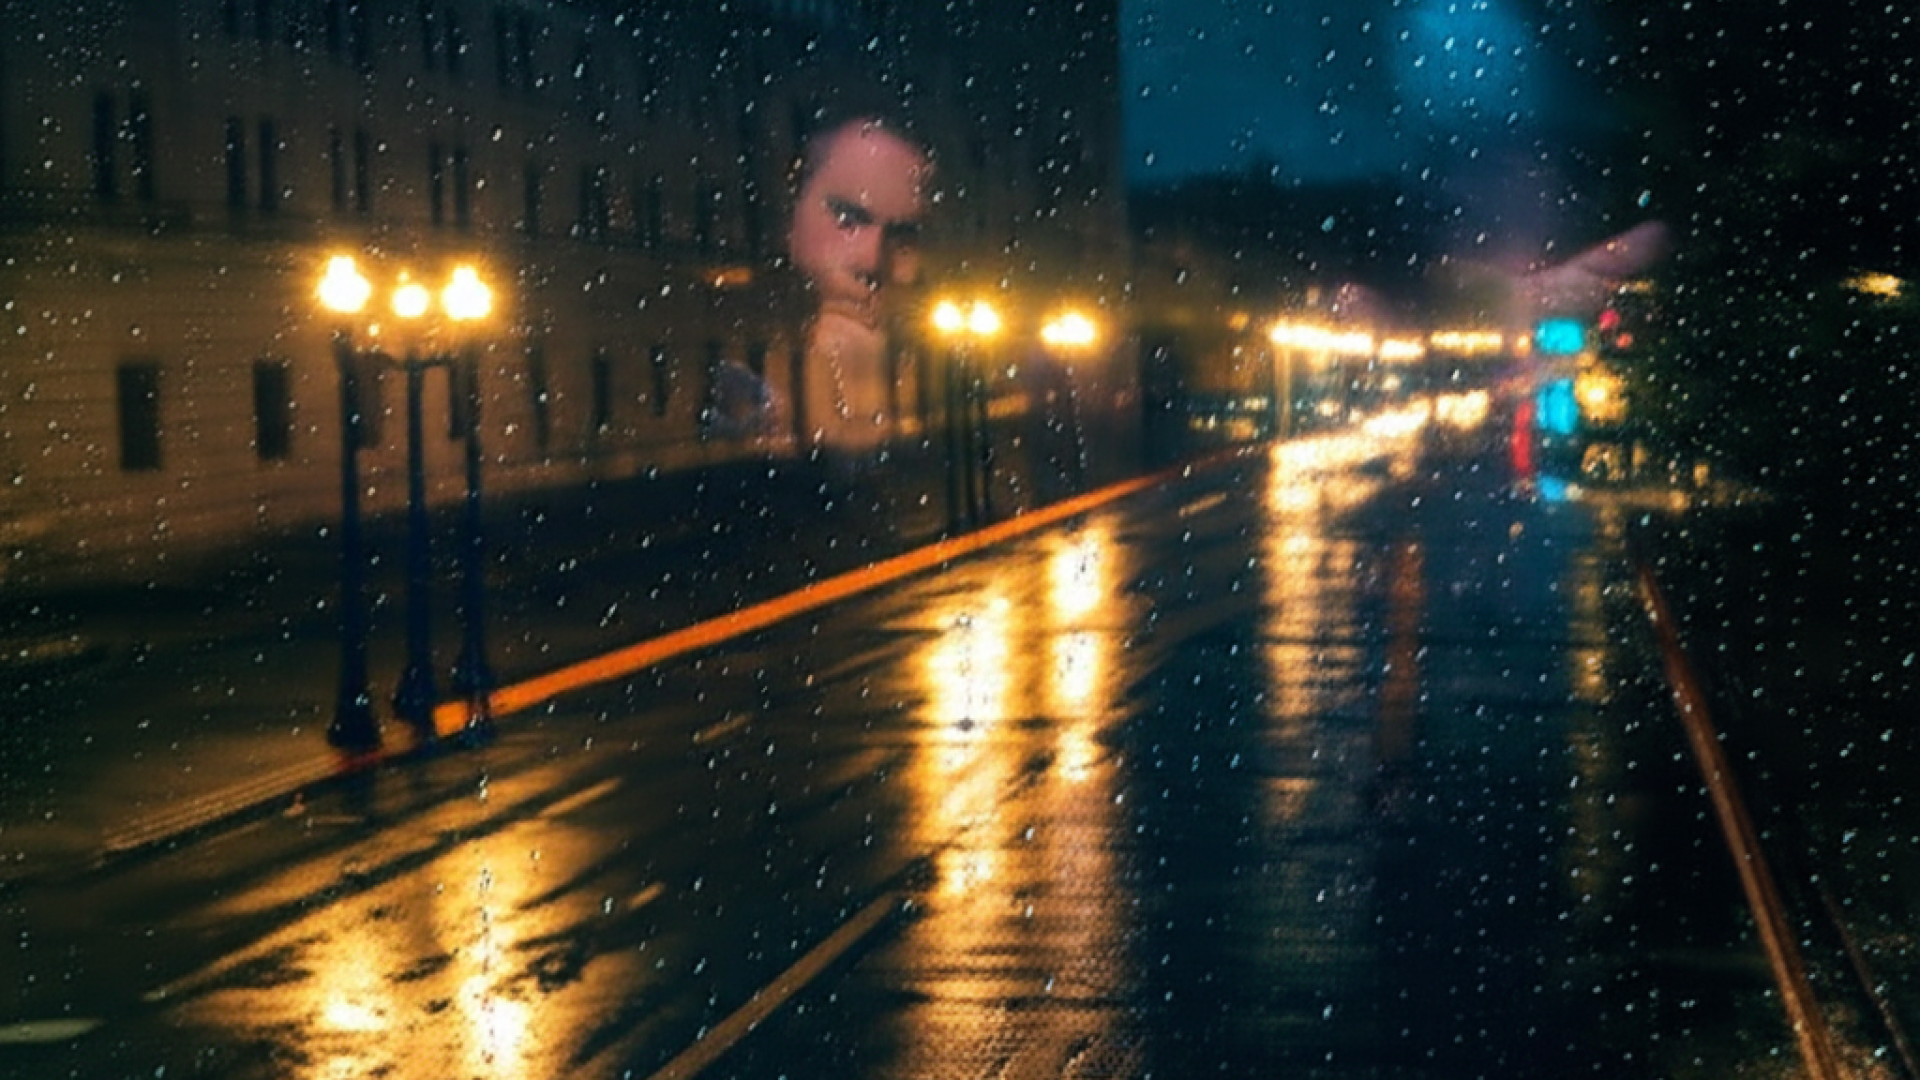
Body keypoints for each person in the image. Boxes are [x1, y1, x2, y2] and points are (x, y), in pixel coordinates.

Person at [786, 95, 931, 471]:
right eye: (848, 220)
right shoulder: (823, 336)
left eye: (899, 235)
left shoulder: (879, 331)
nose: (871, 259)